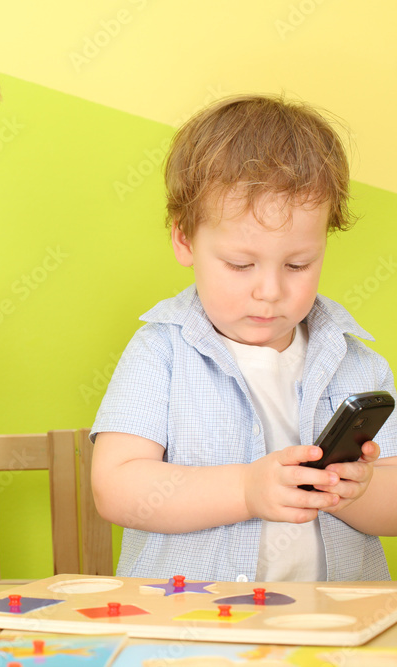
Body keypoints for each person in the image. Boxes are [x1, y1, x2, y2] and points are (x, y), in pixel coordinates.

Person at [91, 94, 397, 582]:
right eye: (240, 264)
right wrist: (247, 490)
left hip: (331, 633)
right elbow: (117, 486)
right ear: (185, 240)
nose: (270, 291)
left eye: (298, 264)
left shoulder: (358, 363)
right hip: (191, 631)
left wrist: (353, 491)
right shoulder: (161, 351)